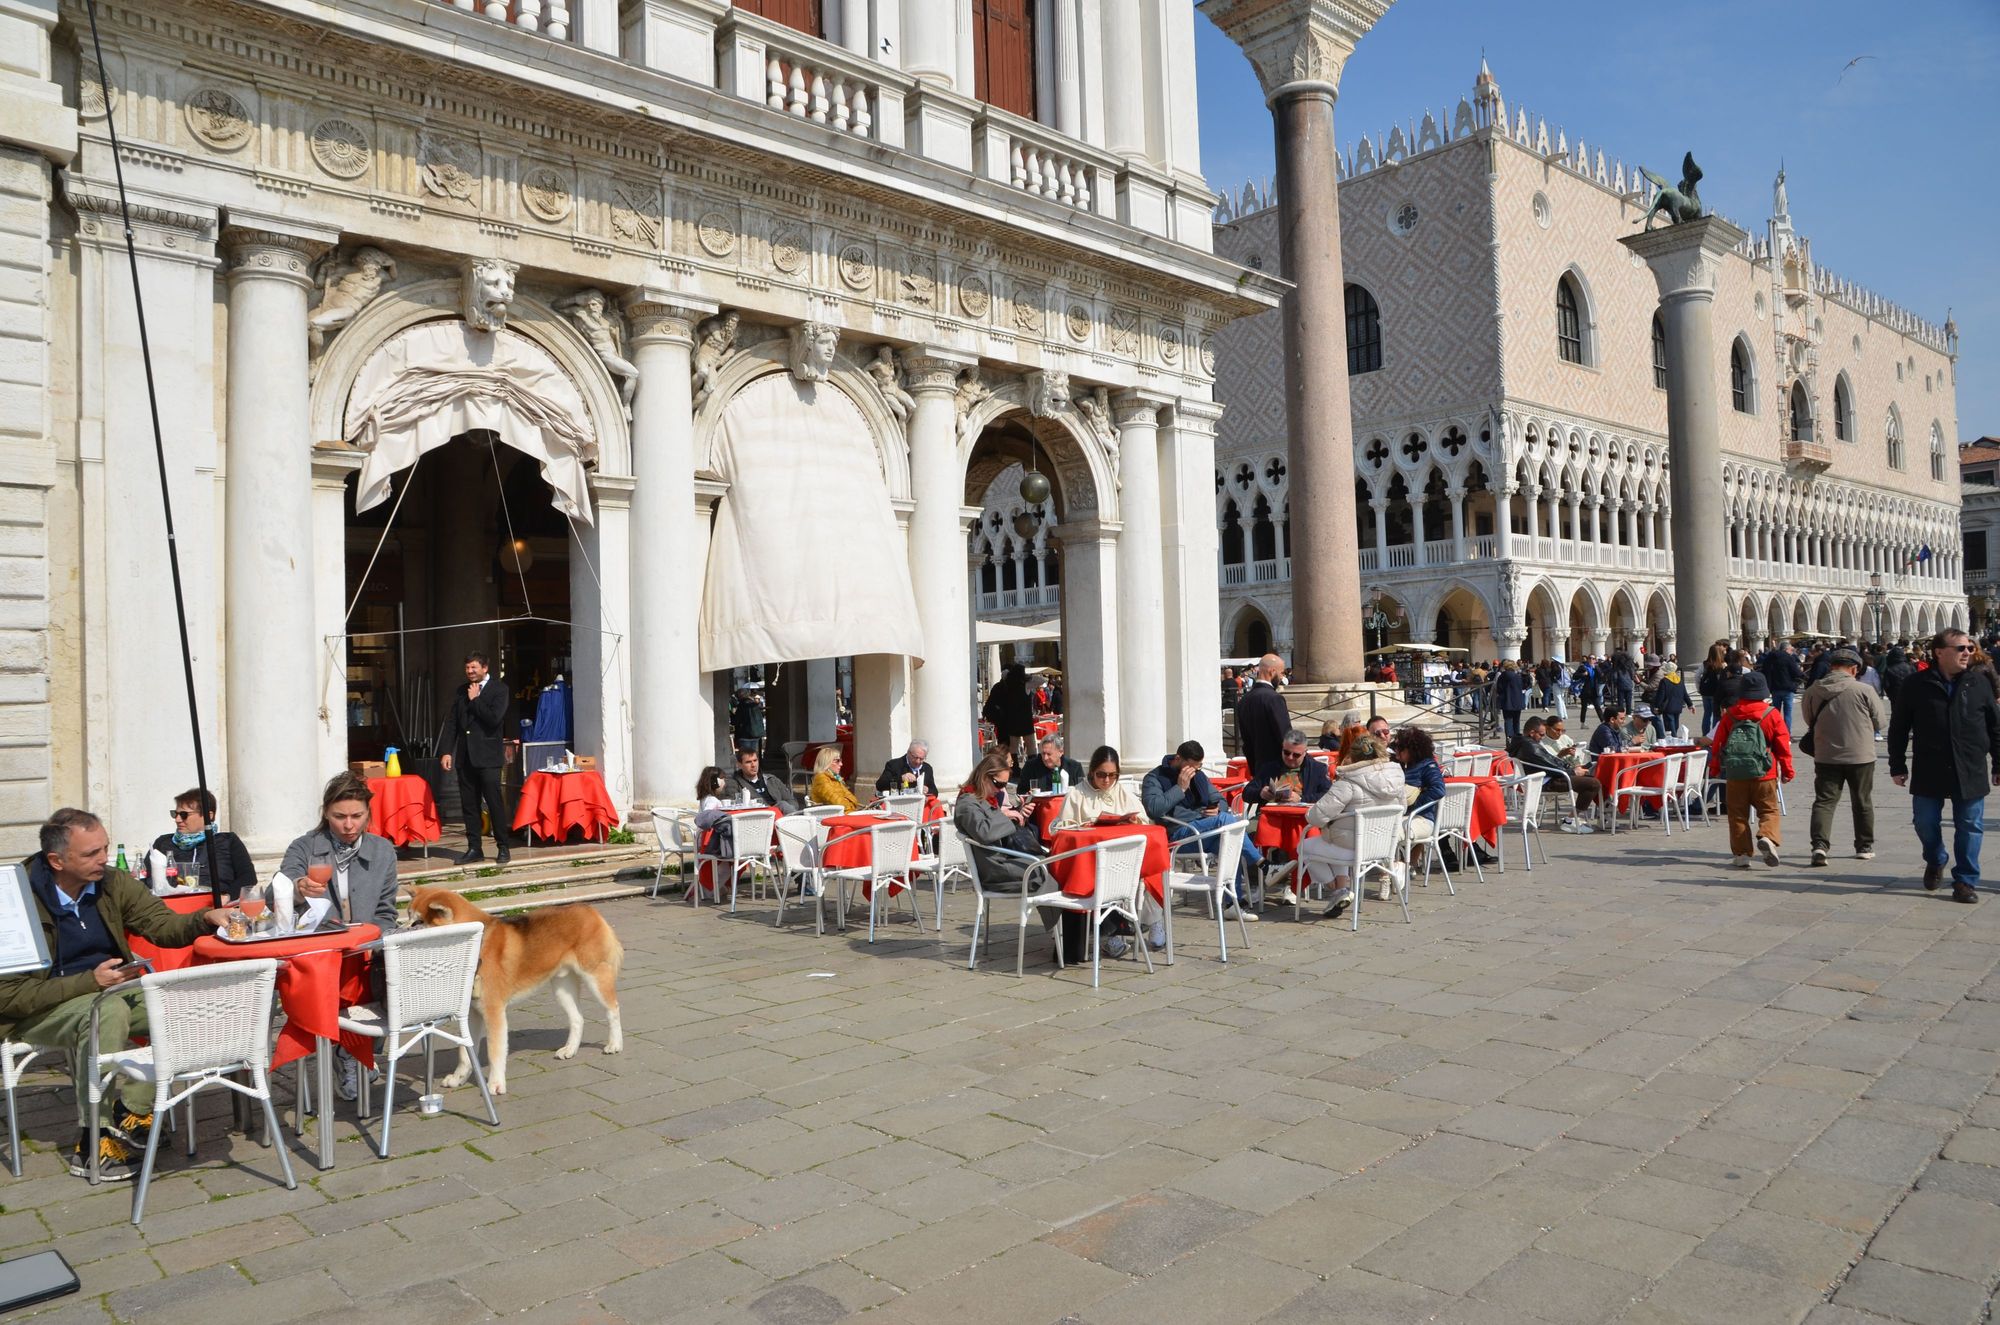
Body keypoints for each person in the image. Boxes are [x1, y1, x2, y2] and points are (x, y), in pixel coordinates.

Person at [2, 809, 232, 1182]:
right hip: (37, 1008)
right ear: (57, 861)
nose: (103, 859)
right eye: (91, 853)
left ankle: (132, 1111)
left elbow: (161, 925)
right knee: (107, 1012)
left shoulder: (110, 882)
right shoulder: (14, 899)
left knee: (180, 1003)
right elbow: (9, 996)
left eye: (105, 848)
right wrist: (90, 982)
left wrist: (203, 918)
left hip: (109, 988)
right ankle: (95, 1139)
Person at [277, 772, 403, 1098]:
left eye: (356, 816)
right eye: (339, 816)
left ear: (368, 814)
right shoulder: (305, 847)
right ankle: (347, 1050)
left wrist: (371, 939)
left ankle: (351, 1049)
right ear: (325, 813)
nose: (349, 825)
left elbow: (386, 912)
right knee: (336, 973)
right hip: (319, 950)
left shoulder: (382, 850)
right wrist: (298, 888)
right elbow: (274, 892)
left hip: (365, 948)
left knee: (383, 969)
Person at [1888, 628, 2000, 904]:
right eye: (1961, 648)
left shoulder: (1978, 683)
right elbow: (1899, 727)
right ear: (1939, 652)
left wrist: (1998, 763)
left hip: (1970, 765)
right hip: (1930, 764)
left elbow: (1995, 726)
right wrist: (1897, 764)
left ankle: (1965, 881)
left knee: (1970, 825)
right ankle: (1936, 857)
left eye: (1970, 648)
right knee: (1924, 822)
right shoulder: (1916, 684)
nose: (1968, 653)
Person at [1141, 740, 1264, 913]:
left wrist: (1217, 809)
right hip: (1178, 835)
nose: (1194, 772)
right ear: (1178, 759)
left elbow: (1220, 800)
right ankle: (1262, 864)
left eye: (1198, 768)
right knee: (1226, 820)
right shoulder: (1154, 778)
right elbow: (1153, 809)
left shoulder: (1198, 775)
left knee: (1230, 842)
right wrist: (1180, 788)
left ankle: (1231, 904)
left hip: (1204, 830)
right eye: (1191, 767)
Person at [1298, 734, 1407, 919]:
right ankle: (1340, 891)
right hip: (1383, 847)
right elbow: (1402, 808)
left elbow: (1315, 818)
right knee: (1331, 840)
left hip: (1354, 849)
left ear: (1353, 756)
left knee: (1304, 847)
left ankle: (1336, 889)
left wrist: (1324, 816)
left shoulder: (1348, 783)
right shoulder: (1396, 778)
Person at [1801, 647, 1888, 868]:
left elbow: (1809, 719)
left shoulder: (1813, 691)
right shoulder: (1864, 690)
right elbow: (1880, 722)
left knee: (1824, 801)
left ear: (1831, 667)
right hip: (1860, 756)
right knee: (1862, 801)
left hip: (1826, 754)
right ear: (1854, 669)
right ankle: (1864, 847)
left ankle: (1819, 846)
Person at [1705, 671, 1794, 869]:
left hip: (1736, 773)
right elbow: (1783, 746)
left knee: (1737, 814)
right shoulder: (1772, 714)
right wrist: (1787, 770)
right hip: (1765, 772)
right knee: (1769, 810)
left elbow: (1718, 745)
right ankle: (1767, 836)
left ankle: (1742, 854)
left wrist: (1715, 768)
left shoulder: (1730, 714)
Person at [442, 652, 512, 864]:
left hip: (488, 757)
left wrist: (476, 700)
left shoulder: (499, 689)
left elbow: (494, 719)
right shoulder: (461, 691)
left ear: (485, 668)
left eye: (474, 667)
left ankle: (503, 846)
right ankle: (474, 848)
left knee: (494, 802)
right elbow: (453, 722)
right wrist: (446, 751)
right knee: (469, 805)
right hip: (465, 757)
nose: (470, 671)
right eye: (467, 668)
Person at [147, 787, 255, 897]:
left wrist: (228, 897)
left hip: (217, 904)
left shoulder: (228, 841)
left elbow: (248, 877)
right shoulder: (163, 843)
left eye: (184, 815)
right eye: (175, 814)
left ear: (208, 816)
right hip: (172, 904)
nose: (177, 819)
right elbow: (145, 878)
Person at [1510, 716, 1602, 830]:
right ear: (1532, 733)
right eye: (1541, 735)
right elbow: (1550, 766)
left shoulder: (1524, 743)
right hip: (1545, 781)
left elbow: (1550, 761)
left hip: (1546, 777)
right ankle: (1571, 819)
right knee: (1593, 783)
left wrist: (1572, 768)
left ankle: (1596, 813)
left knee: (1592, 778)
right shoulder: (1531, 747)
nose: (1542, 738)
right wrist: (1573, 771)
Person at [1056, 746, 1148, 828]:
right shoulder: (1075, 795)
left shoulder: (1123, 793)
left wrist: (1135, 821)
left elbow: (1145, 822)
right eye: (1101, 775)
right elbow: (1062, 829)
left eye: (1112, 775)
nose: (1107, 780)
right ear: (1092, 772)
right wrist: (1079, 828)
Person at [1235, 653, 1291, 780]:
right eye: (1281, 673)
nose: (1282, 677)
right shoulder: (1274, 698)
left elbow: (1246, 741)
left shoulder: (1244, 700)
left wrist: (1255, 771)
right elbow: (1285, 736)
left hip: (1257, 769)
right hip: (1278, 770)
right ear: (1272, 671)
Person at [1248, 729, 1332, 808]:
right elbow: (1247, 792)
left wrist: (1301, 799)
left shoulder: (1317, 769)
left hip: (1301, 815)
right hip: (1270, 813)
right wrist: (1260, 793)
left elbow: (1329, 795)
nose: (1290, 757)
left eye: (1296, 755)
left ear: (1304, 753)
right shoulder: (1270, 767)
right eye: (1286, 752)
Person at [981, 663, 1037, 765]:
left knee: (1009, 747)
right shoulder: (1018, 686)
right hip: (1014, 722)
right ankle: (1019, 766)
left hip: (1007, 722)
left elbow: (991, 703)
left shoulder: (1003, 686)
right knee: (1024, 746)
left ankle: (1010, 766)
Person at [723, 747, 799, 813]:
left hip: (782, 815)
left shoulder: (771, 779)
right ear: (739, 765)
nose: (753, 765)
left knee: (783, 805)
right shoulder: (734, 783)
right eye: (748, 762)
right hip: (760, 817)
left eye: (755, 760)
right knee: (782, 805)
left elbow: (792, 800)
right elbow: (733, 806)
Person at [1759, 640, 1805, 728]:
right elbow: (1796, 673)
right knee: (1788, 714)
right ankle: (1786, 733)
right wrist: (1801, 675)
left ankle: (1774, 731)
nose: (1792, 652)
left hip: (1775, 688)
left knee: (1775, 713)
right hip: (1788, 688)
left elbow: (1765, 671)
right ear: (1786, 649)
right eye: (1791, 650)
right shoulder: (1788, 658)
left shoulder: (1770, 657)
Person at [1019, 736, 1085, 795]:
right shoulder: (1031, 766)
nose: (1045, 758)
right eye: (1043, 754)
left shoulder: (1074, 767)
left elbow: (1083, 792)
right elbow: (1021, 792)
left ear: (1061, 752)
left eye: (1049, 754)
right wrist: (1029, 796)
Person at [874, 741, 940, 799]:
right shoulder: (894, 765)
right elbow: (880, 785)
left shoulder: (927, 768)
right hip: (898, 803)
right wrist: (900, 778)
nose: (917, 761)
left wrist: (927, 790)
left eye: (921, 759)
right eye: (915, 757)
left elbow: (935, 792)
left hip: (920, 804)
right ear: (908, 753)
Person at [807, 746, 859, 812]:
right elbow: (837, 802)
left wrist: (852, 807)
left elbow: (853, 800)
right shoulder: (820, 778)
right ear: (827, 763)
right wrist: (852, 808)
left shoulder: (835, 778)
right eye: (837, 761)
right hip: (829, 815)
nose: (841, 764)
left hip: (840, 813)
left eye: (841, 760)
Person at [1698, 641, 1733, 737]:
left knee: (1706, 714)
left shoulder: (1705, 664)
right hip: (1716, 693)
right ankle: (1714, 735)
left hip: (1705, 693)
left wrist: (1699, 688)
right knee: (1716, 715)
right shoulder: (1723, 664)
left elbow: (1697, 676)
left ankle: (1705, 734)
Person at [1652, 663, 1691, 740]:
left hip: (1668, 707)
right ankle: (1674, 736)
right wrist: (1690, 704)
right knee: (1675, 724)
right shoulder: (1679, 680)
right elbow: (1685, 694)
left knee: (1670, 726)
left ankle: (1673, 739)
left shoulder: (1664, 681)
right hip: (1678, 706)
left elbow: (1661, 695)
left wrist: (1656, 706)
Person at [1492, 659, 1529, 740]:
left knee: (1508, 720)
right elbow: (1523, 686)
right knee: (1516, 721)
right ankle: (1517, 738)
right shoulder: (1517, 676)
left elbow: (1499, 689)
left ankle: (1509, 738)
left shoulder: (1501, 676)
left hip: (1506, 701)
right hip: (1517, 700)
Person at [729, 687, 766, 755]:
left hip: (745, 734)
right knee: (753, 754)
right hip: (755, 734)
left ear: (740, 696)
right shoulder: (754, 704)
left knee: (746, 755)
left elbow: (736, 721)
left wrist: (731, 714)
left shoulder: (742, 705)